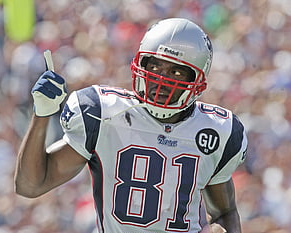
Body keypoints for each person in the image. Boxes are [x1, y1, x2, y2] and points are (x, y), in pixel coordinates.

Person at [15, 18, 248, 233]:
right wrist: (42, 115)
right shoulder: (103, 113)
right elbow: (30, 185)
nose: (161, 79)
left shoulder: (218, 131)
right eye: (154, 66)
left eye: (176, 72)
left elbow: (224, 212)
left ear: (196, 81)